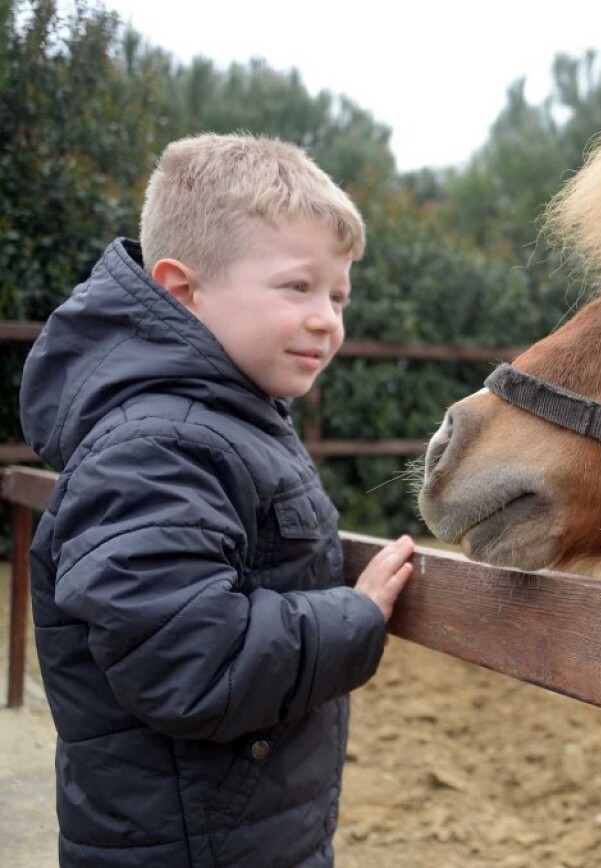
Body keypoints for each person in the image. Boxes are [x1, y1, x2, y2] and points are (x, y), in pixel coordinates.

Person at [19, 133, 415, 867]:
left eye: (337, 294)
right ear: (182, 290)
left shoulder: (216, 421)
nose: (328, 318)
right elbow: (191, 664)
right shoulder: (157, 445)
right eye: (297, 287)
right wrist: (352, 617)